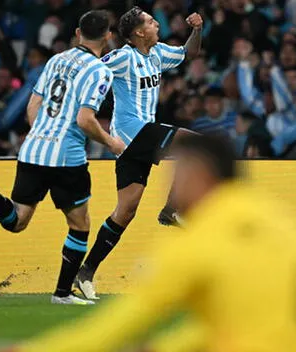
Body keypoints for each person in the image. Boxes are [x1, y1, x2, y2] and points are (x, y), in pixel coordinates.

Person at [6, 134, 296, 352]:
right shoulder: (288, 224)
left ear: (199, 177)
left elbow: (118, 326)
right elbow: (242, 323)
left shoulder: (200, 240)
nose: (173, 185)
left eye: (178, 174)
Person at [0, 10, 125, 305]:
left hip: (32, 149)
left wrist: (44, 132)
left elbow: (33, 104)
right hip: (66, 157)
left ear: (77, 34)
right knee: (80, 225)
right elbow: (85, 120)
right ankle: (62, 294)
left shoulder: (56, 60)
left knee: (17, 221)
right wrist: (111, 143)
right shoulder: (100, 71)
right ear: (108, 37)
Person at [75, 7, 203, 300]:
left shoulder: (157, 54)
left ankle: (84, 274)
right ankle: (173, 209)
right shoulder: (123, 57)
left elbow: (188, 54)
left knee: (125, 211)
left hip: (133, 143)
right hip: (135, 132)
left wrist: (197, 30)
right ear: (138, 33)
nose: (156, 22)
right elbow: (96, 68)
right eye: (150, 20)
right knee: (195, 146)